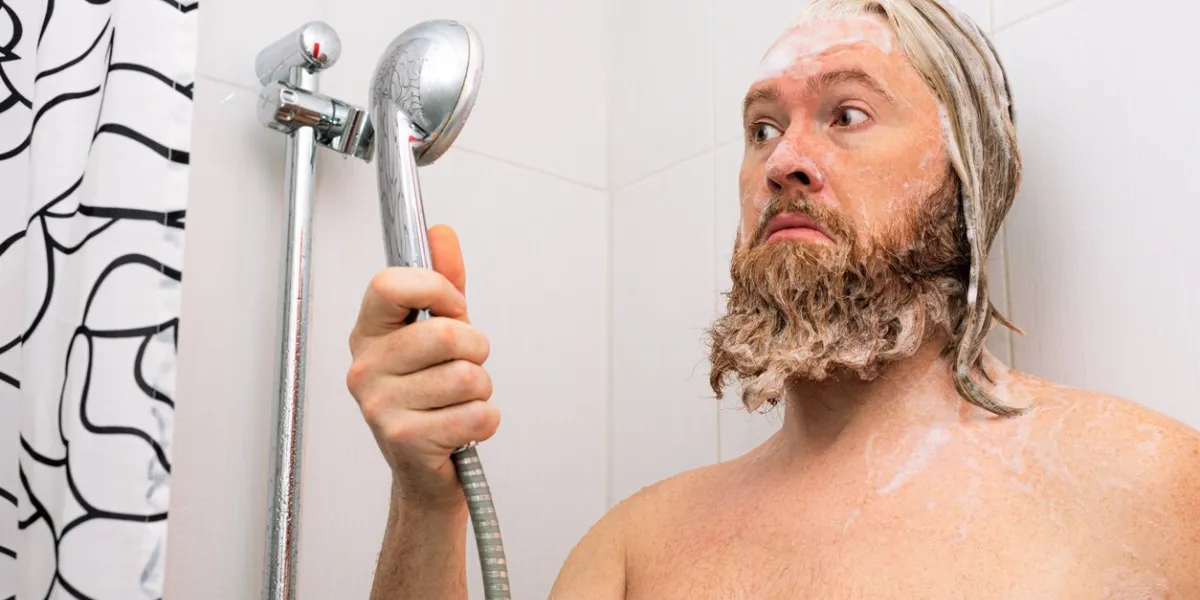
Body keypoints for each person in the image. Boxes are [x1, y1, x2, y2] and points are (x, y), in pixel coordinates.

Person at [345, 0, 1200, 597]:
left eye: (847, 114)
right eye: (762, 127)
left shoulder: (1141, 485)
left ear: (968, 180)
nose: (783, 159)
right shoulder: (635, 551)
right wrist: (426, 498)